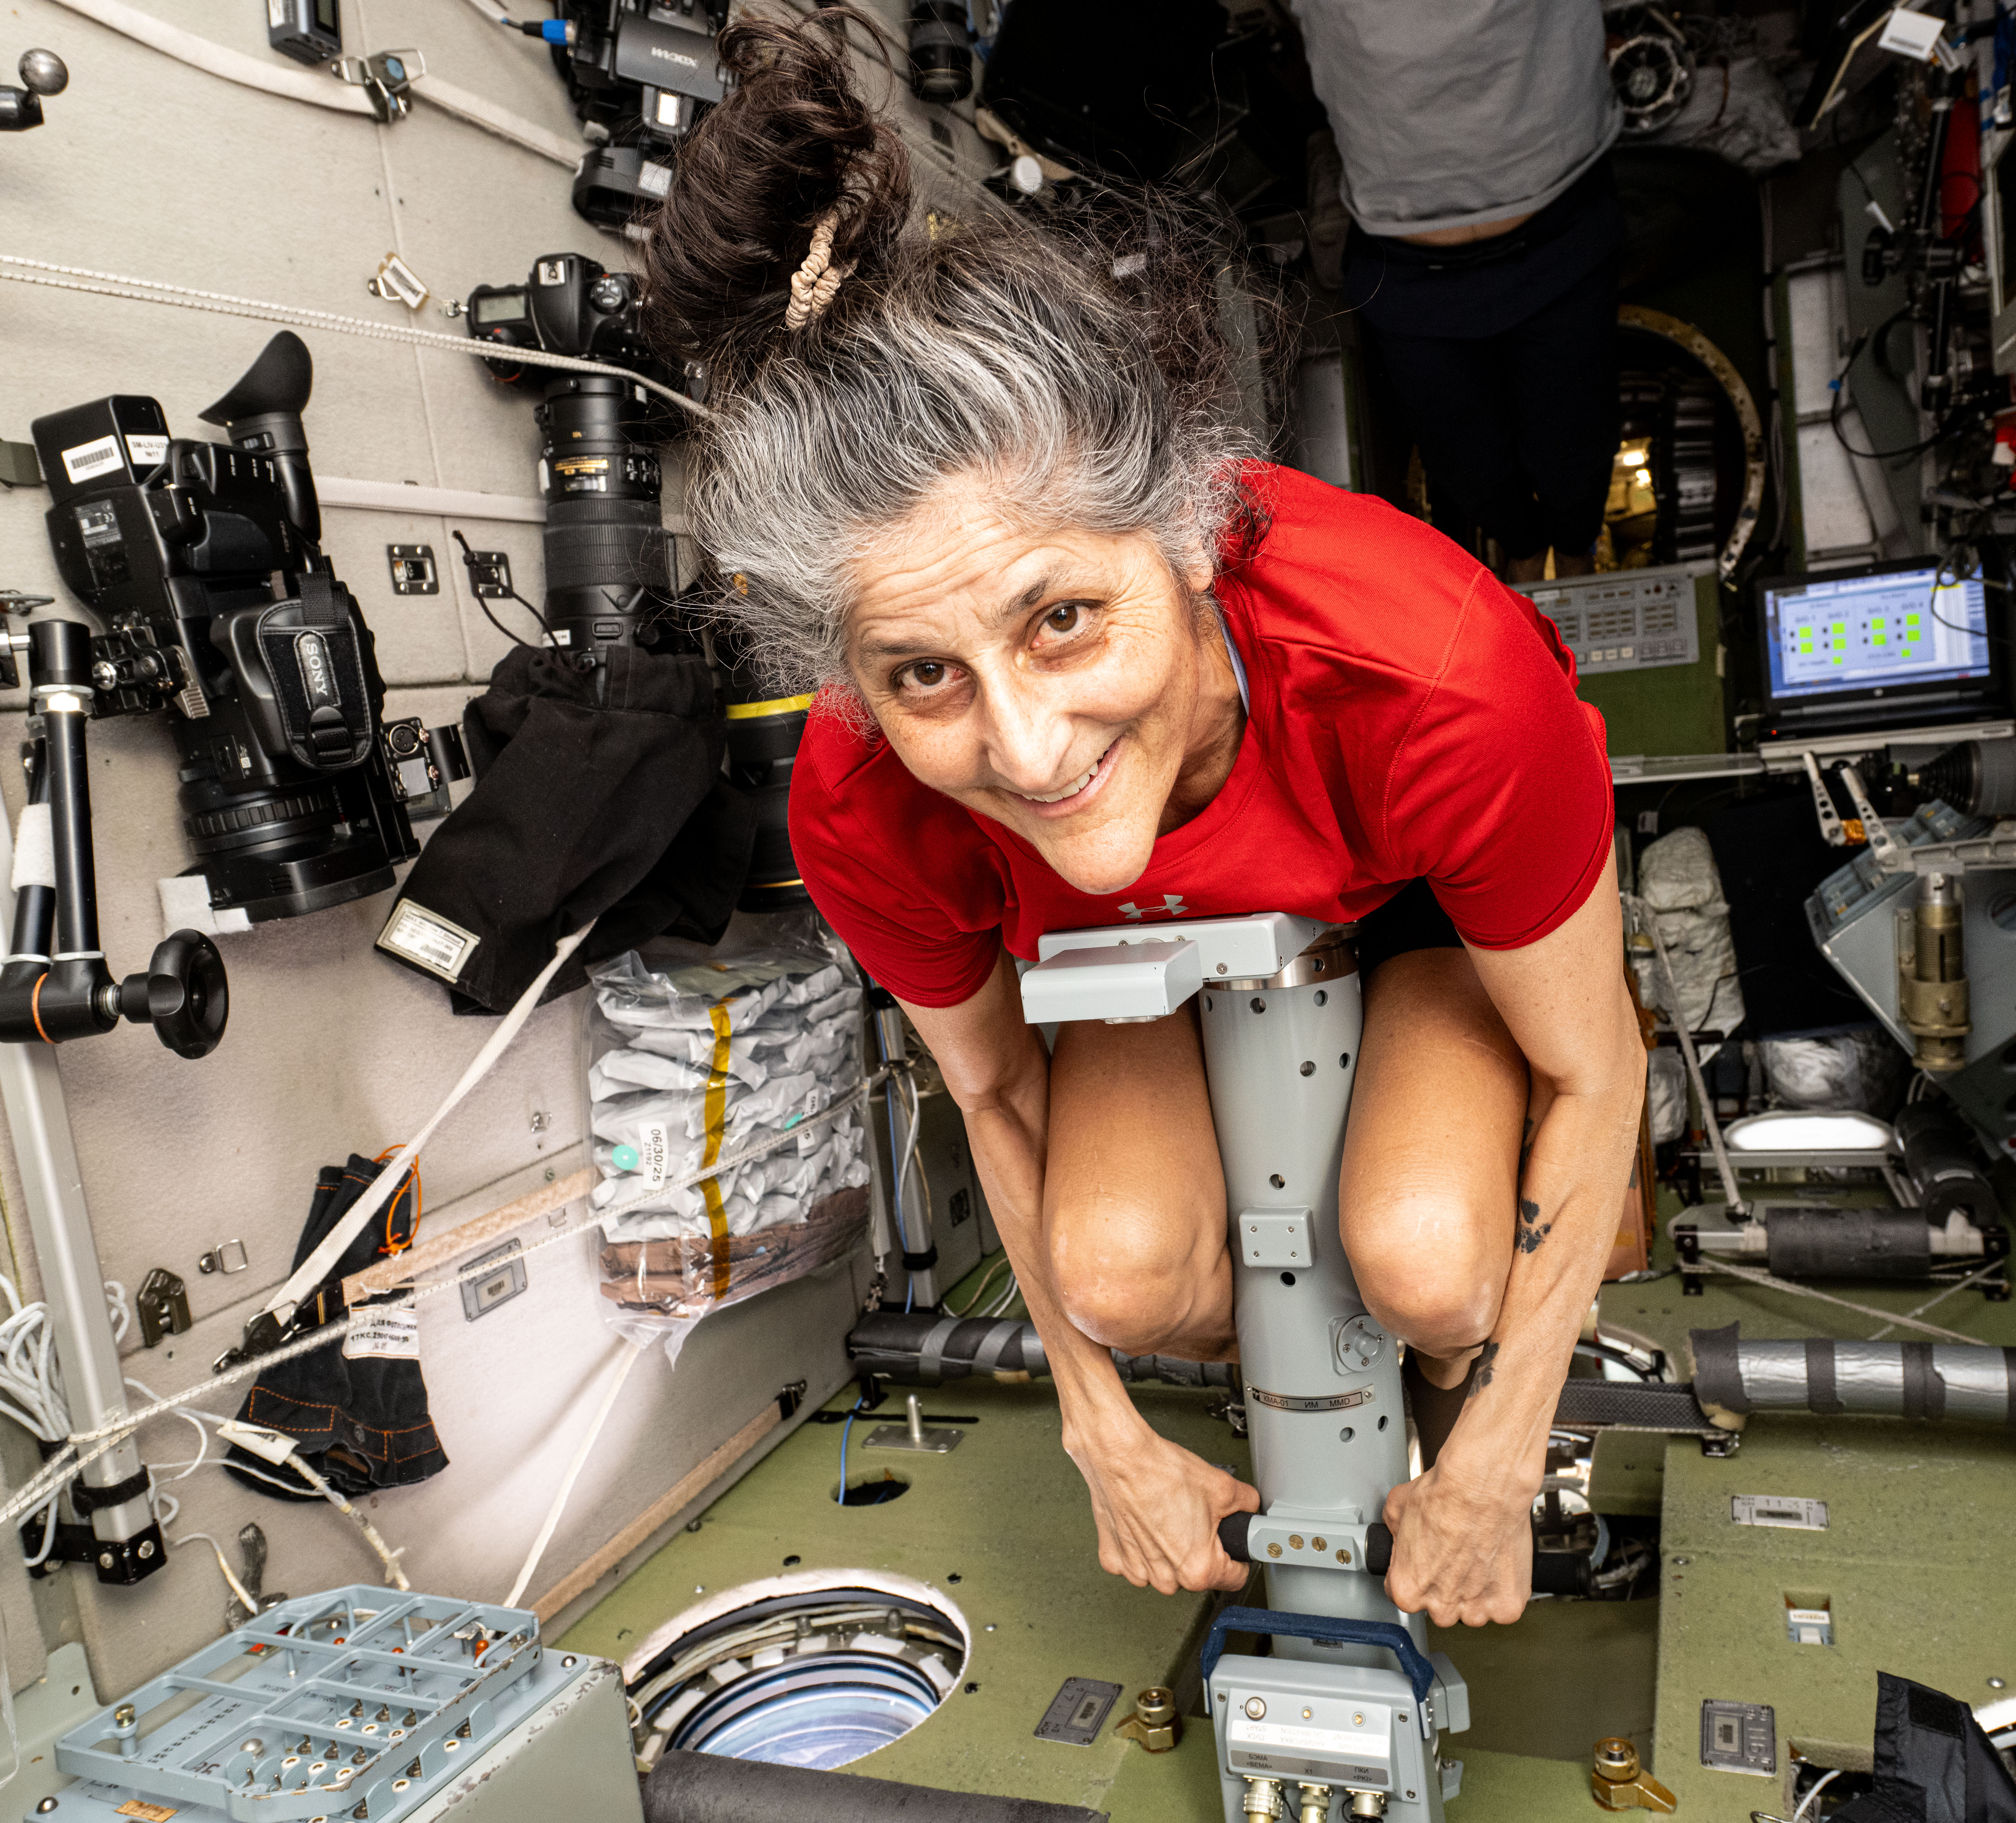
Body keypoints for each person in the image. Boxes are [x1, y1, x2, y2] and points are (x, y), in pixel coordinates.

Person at [642, 10, 1645, 1629]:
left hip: (1406, 908)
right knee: (1113, 1274)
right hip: (1127, 959)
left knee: (1425, 1259)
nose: (1025, 747)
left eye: (1062, 621)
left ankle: (1449, 1337)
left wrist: (1490, 1463)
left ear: (1184, 531)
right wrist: (1097, 1425)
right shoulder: (862, 795)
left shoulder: (1431, 675)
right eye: (921, 672)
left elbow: (1597, 1068)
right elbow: (995, 1102)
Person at [1290, 0, 1627, 581]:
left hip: (1559, 232)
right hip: (1408, 264)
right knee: (1468, 468)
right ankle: (1519, 553)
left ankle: (1577, 554)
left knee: (1574, 457)